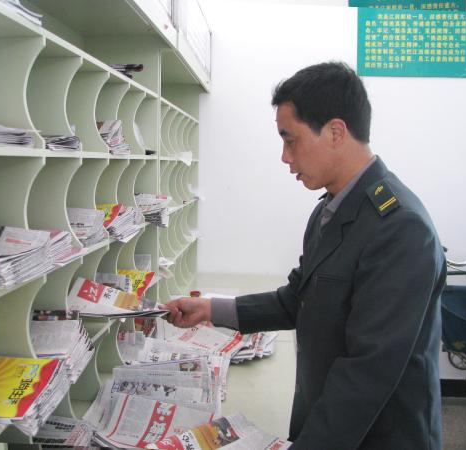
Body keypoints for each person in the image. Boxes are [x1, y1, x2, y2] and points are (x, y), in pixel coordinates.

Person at [162, 62, 446, 450]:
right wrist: (210, 310)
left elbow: (367, 373)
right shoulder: (330, 210)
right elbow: (296, 300)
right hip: (325, 420)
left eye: (290, 140)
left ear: (336, 132)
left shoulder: (400, 228)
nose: (284, 157)